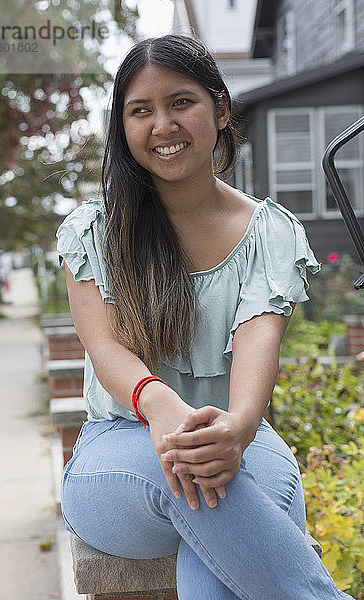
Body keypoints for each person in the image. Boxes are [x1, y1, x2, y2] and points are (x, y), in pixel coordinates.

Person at [56, 34, 353, 600]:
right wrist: (162, 405)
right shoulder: (94, 231)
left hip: (234, 437)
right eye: (140, 111)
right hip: (118, 449)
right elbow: (105, 347)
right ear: (123, 129)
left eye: (181, 103)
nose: (162, 125)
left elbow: (255, 353)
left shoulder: (270, 231)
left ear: (219, 110)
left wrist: (238, 427)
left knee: (219, 518)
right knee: (197, 480)